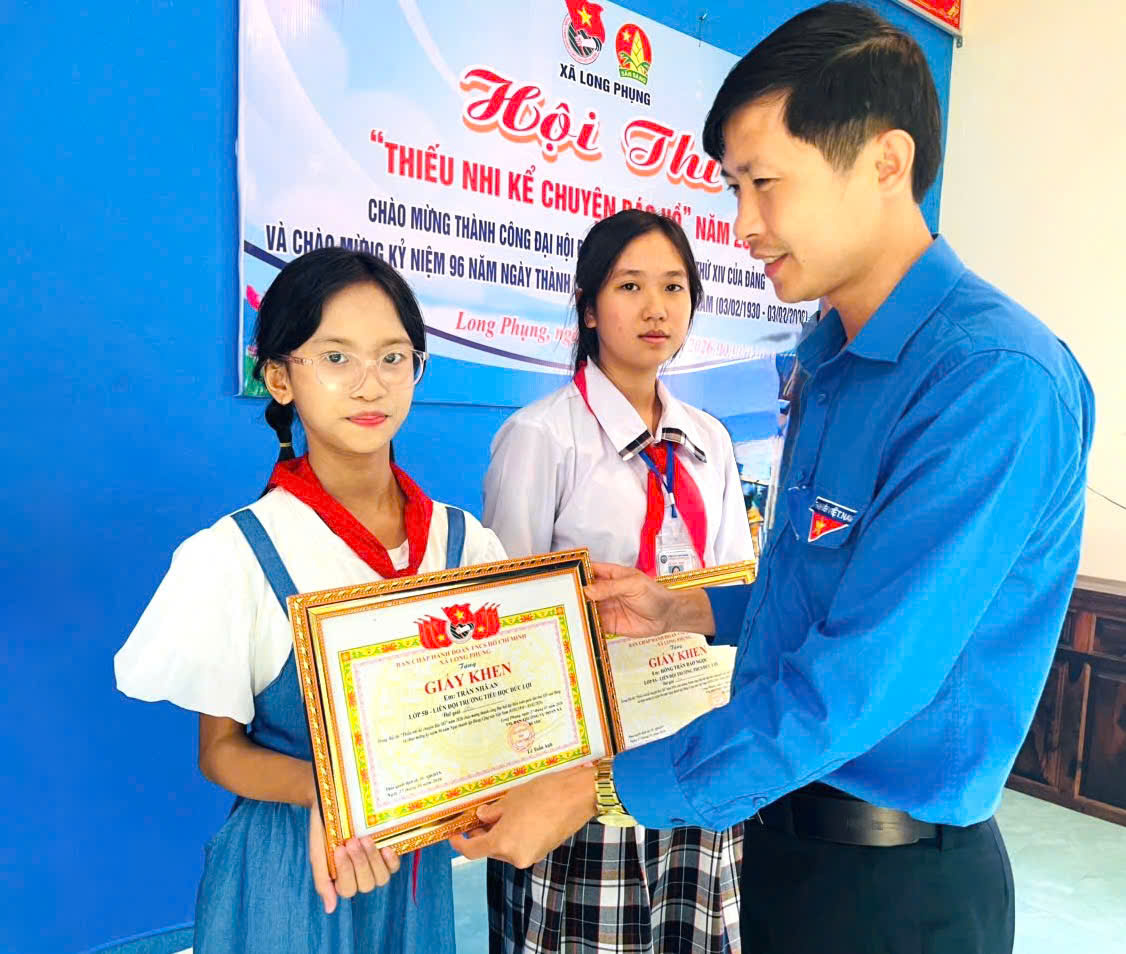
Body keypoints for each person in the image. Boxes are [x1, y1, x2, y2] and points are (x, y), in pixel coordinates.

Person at [451, 5, 1095, 953]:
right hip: (777, 842)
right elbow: (821, 588)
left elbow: (859, 681)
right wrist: (688, 609)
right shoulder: (830, 362)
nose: (742, 226)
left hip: (893, 888)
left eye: (764, 183)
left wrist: (597, 790)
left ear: (885, 162)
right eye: (732, 187)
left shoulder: (990, 381)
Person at [114, 247, 506, 954]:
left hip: (414, 869)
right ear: (279, 376)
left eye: (393, 357)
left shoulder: (464, 543)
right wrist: (325, 793)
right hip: (294, 870)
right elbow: (220, 752)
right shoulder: (236, 554)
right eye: (335, 358)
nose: (370, 384)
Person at [482, 209, 754, 954]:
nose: (655, 307)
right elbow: (510, 620)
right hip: (586, 752)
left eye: (673, 286)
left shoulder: (710, 440)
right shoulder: (541, 436)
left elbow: (730, 590)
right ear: (590, 307)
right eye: (630, 286)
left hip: (689, 737)